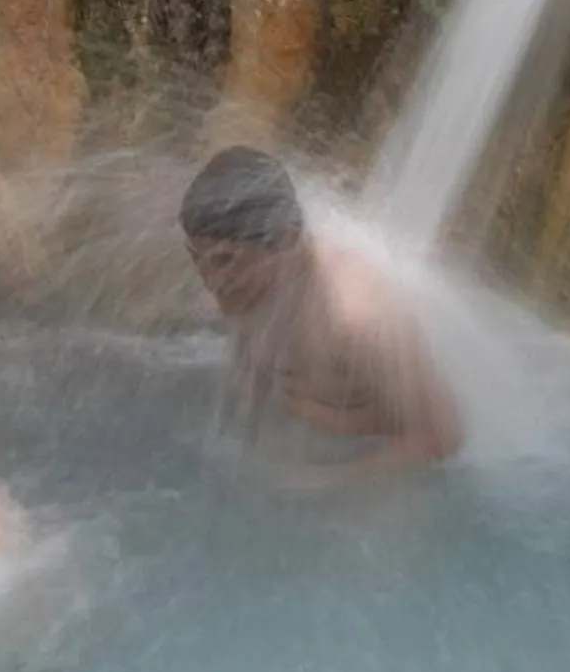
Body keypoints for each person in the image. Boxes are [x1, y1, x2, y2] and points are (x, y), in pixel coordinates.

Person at [179, 145, 463, 485]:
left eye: (226, 259)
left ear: (287, 239)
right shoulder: (245, 288)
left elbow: (444, 435)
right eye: (197, 258)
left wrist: (322, 484)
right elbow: (252, 371)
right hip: (310, 454)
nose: (211, 282)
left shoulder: (358, 311)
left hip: (376, 482)